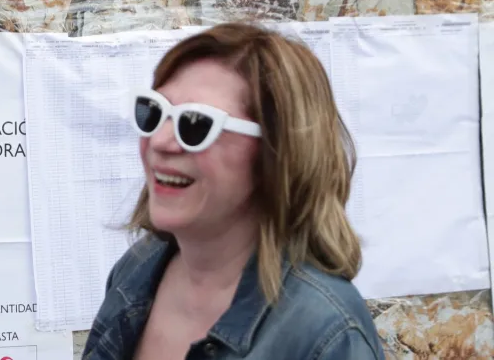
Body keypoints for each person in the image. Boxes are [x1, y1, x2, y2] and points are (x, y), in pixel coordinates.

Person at [82, 22, 384, 360]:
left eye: (195, 124)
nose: (160, 141)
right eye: (154, 112)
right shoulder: (138, 270)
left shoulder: (325, 334)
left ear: (277, 152)